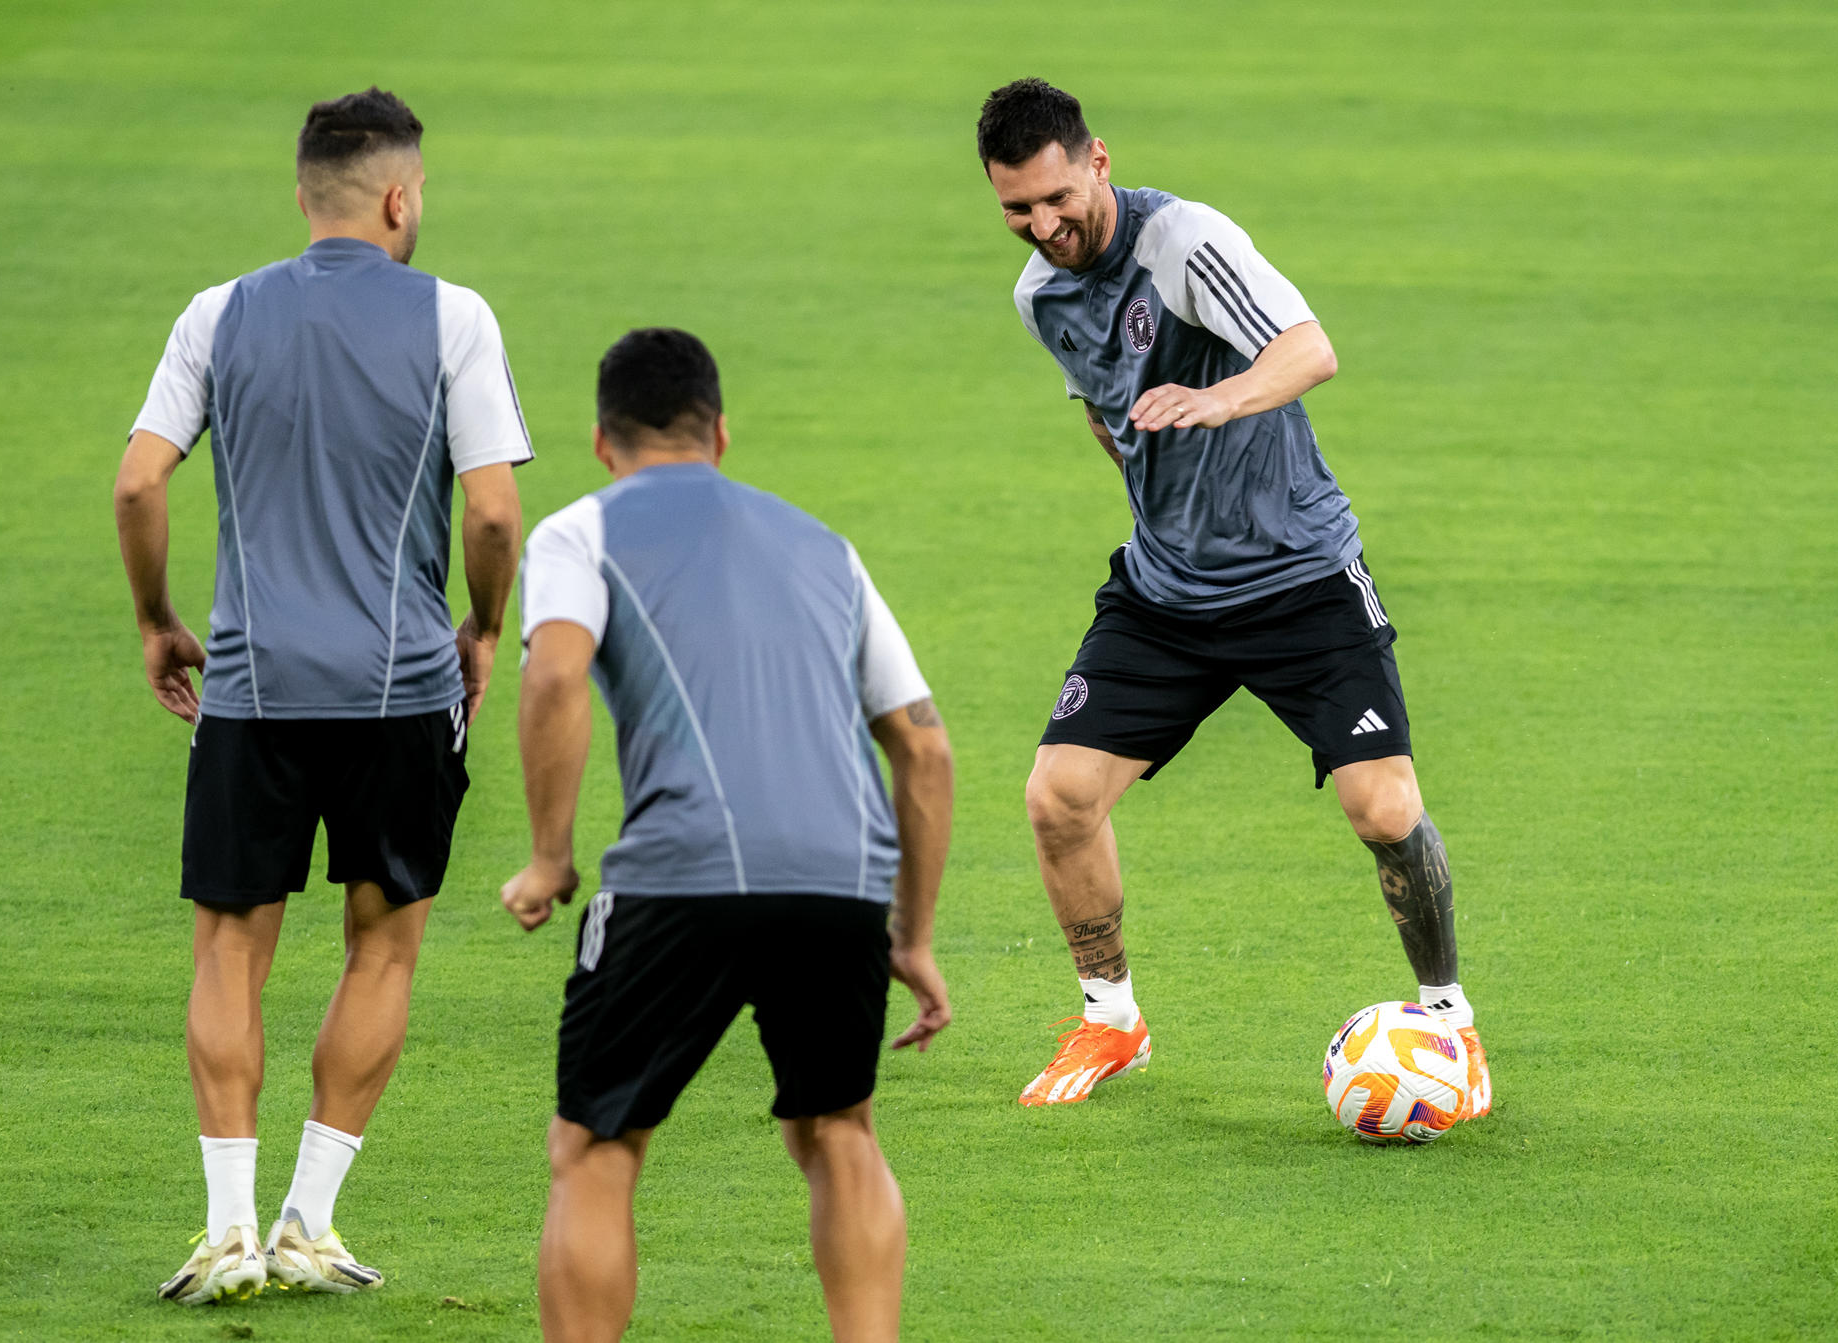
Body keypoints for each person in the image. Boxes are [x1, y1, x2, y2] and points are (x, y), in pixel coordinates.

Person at [975, 78, 1491, 1115]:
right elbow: (1104, 408)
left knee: (1383, 807)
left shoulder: (1186, 244)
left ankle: (1449, 1019)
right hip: (1167, 591)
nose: (1044, 226)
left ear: (1099, 162)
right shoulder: (1040, 295)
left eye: (1056, 197)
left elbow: (1311, 349)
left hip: (1301, 578)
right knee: (1057, 796)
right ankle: (1111, 1019)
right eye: (1017, 211)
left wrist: (1218, 399)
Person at [114, 87, 532, 1304]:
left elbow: (142, 485)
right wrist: (483, 626)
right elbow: (496, 508)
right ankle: (312, 1219)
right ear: (401, 197)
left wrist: (157, 621)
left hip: (248, 691)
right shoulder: (455, 316)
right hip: (400, 688)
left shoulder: (216, 313)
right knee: (381, 947)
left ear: (305, 196)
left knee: (231, 949)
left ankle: (227, 1229)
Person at [501, 328, 954, 1343]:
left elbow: (556, 674)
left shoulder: (581, 531)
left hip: (682, 874)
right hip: (841, 883)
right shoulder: (825, 546)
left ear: (602, 441)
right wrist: (910, 936)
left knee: (597, 1144)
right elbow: (924, 749)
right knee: (839, 1128)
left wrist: (549, 853)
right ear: (722, 435)